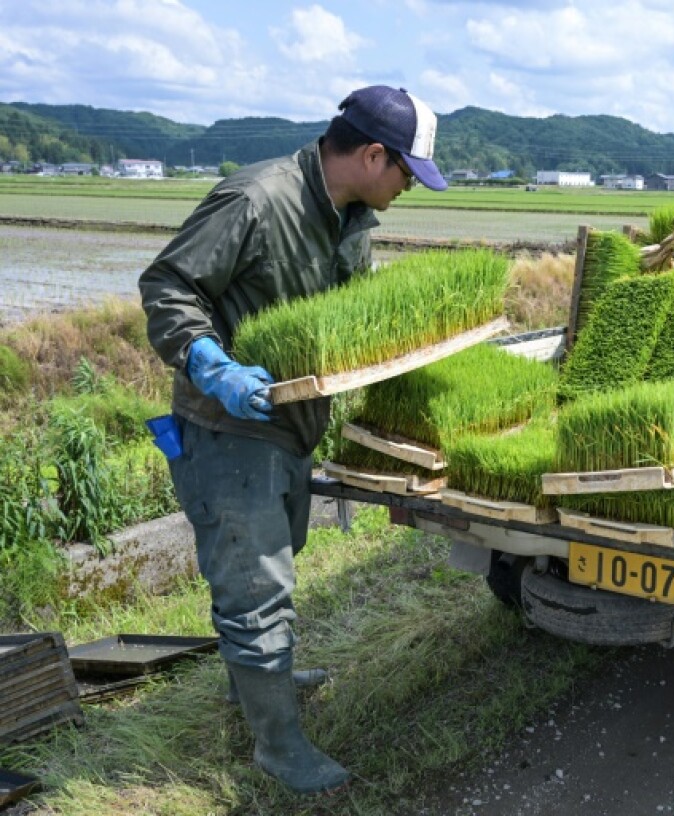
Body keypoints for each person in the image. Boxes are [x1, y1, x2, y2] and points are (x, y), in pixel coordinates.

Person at [138, 86, 447, 795]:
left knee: (275, 561)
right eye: (406, 172)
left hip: (293, 430)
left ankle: (253, 685)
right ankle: (278, 747)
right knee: (257, 590)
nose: (407, 189)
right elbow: (168, 284)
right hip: (229, 429)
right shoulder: (256, 200)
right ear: (373, 154)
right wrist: (209, 363)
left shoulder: (350, 217)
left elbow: (346, 311)